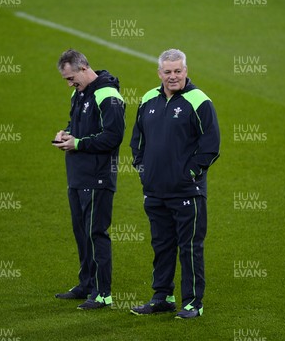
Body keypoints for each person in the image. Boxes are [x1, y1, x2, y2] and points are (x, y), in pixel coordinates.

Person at [130, 48, 220, 319]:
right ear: (159, 73)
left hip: (186, 192)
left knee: (190, 247)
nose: (173, 77)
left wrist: (190, 174)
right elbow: (138, 140)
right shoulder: (148, 99)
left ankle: (193, 303)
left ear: (186, 71)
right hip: (155, 191)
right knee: (161, 245)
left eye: (178, 71)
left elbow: (211, 146)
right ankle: (162, 297)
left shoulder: (199, 101)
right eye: (167, 72)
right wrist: (143, 169)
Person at [53, 49, 125, 310]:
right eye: (66, 79)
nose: (69, 83)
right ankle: (86, 283)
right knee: (82, 233)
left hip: (97, 177)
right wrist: (66, 133)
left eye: (71, 77)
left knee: (96, 233)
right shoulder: (79, 93)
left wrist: (79, 143)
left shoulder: (108, 95)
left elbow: (114, 136)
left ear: (84, 68)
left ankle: (103, 292)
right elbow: (77, 125)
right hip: (77, 175)